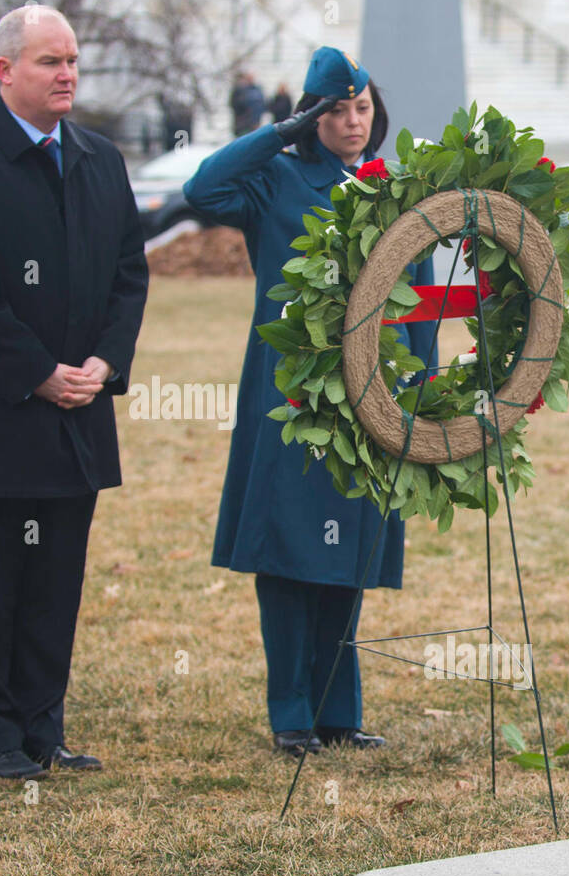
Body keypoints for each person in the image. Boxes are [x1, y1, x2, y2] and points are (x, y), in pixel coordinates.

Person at [0, 6, 149, 780]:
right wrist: (38, 373)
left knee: (53, 585)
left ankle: (44, 729)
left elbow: (127, 274)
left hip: (76, 419)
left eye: (74, 60)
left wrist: (102, 365)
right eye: (51, 61)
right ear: (6, 70)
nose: (68, 75)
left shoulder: (98, 159)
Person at [184, 47, 439, 757]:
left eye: (361, 108)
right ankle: (291, 713)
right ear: (311, 117)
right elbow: (202, 190)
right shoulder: (276, 179)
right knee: (290, 551)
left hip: (373, 397)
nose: (353, 121)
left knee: (346, 552)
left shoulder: (394, 189)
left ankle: (338, 712)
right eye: (335, 111)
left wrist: (422, 389)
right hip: (293, 396)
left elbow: (416, 302)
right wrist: (277, 132)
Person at [229, 71, 266, 136]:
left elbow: (261, 106)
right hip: (242, 124)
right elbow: (234, 105)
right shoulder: (239, 91)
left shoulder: (256, 90)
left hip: (254, 123)